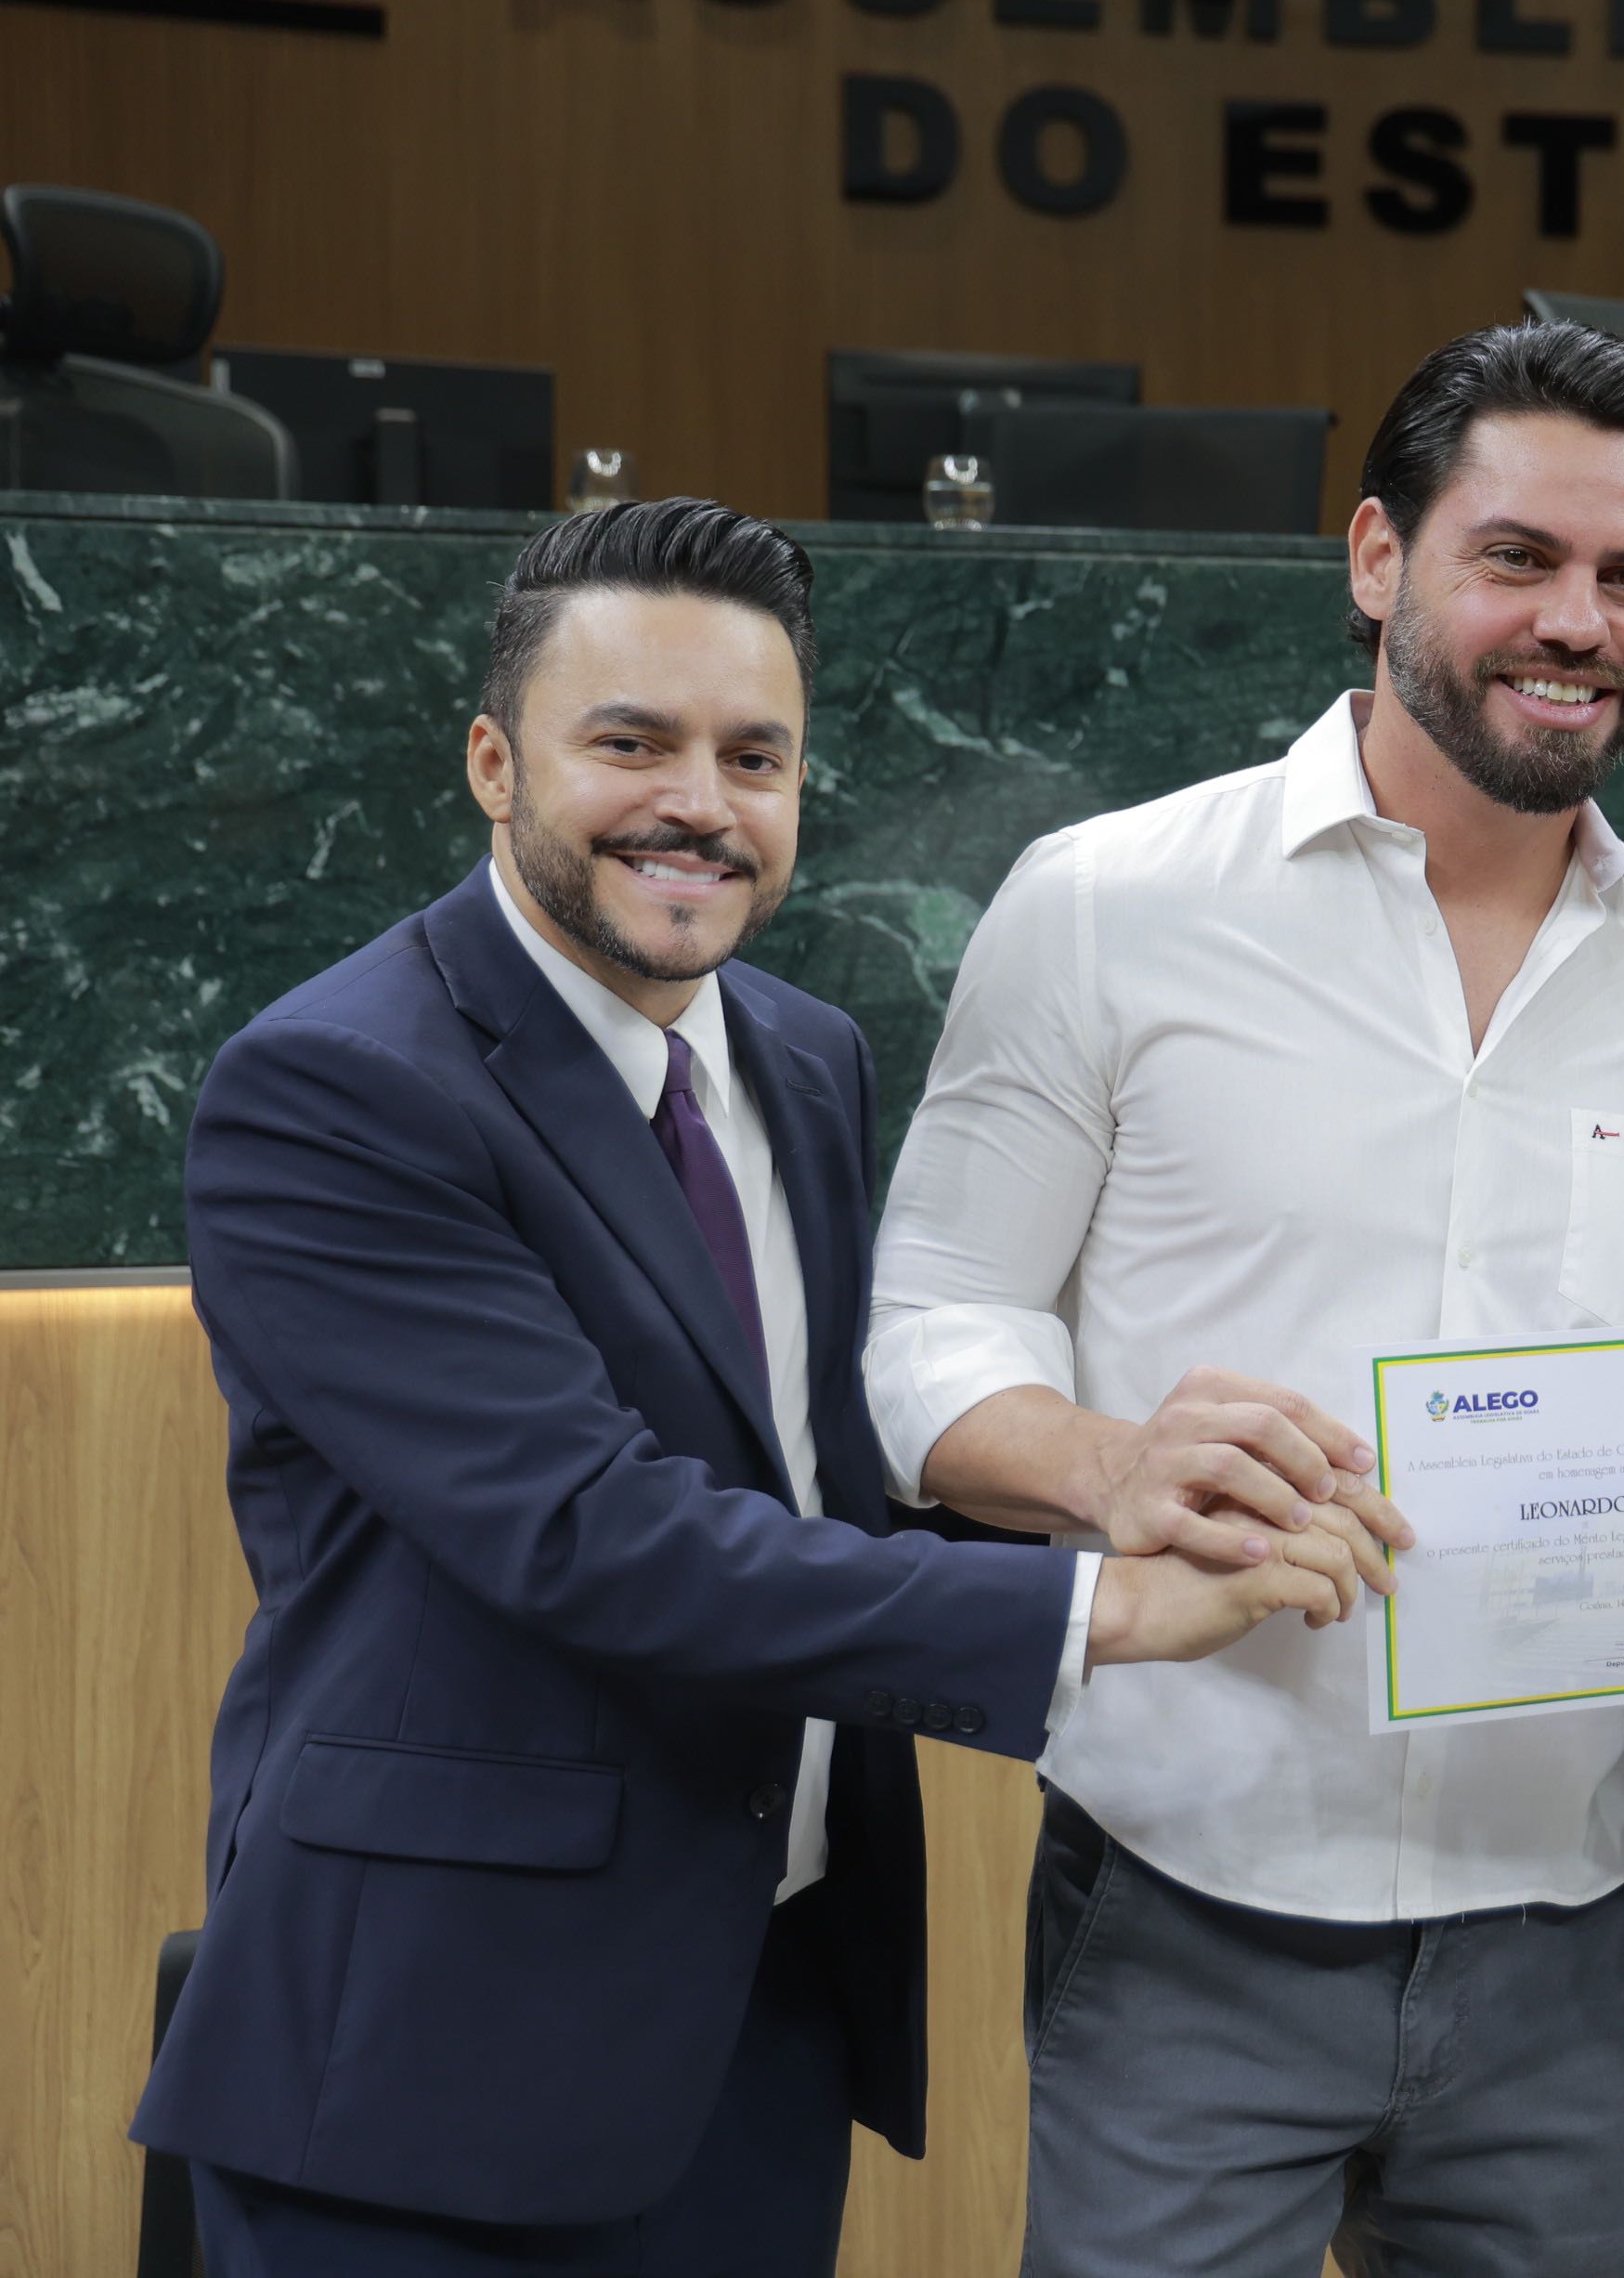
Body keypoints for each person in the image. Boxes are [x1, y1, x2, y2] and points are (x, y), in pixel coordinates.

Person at [134, 499, 1380, 2278]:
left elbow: (813, 1469)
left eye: (754, 755)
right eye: (630, 743)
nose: (698, 804)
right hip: (432, 2052)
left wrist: (1121, 1491)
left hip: (757, 2008)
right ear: (493, 762)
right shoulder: (335, 1088)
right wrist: (1095, 1611)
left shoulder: (803, 1055)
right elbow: (593, 1533)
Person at [864, 320, 1624, 2278]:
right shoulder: (1106, 905)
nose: (1579, 622)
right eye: (1518, 556)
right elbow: (932, 1328)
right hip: (1187, 1902)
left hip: (1568, 1934)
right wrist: (1111, 1466)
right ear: (1379, 557)